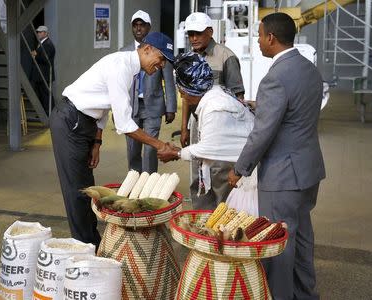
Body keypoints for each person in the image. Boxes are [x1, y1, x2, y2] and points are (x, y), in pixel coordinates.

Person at [228, 13, 325, 299]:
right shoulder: (309, 70)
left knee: (278, 243)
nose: (257, 41)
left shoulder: (274, 79)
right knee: (302, 239)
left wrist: (240, 169)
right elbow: (298, 112)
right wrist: (264, 105)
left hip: (283, 175)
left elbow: (262, 134)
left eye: (259, 35)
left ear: (271, 38)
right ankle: (306, 294)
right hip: (308, 171)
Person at [50, 32, 175, 249]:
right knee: (77, 192)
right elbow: (125, 125)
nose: (161, 65)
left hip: (85, 123)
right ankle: (85, 250)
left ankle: (91, 243)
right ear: (147, 49)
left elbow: (105, 106)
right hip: (71, 120)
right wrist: (160, 145)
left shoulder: (127, 67)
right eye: (161, 58)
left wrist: (96, 143)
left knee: (87, 189)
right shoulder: (121, 67)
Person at [158, 52, 254, 210]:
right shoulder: (214, 93)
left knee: (229, 208)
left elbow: (207, 148)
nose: (181, 94)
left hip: (243, 169)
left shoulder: (214, 108)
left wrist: (176, 153)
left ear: (191, 89)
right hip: (240, 163)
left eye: (182, 89)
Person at [181, 12, 245, 207]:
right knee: (198, 173)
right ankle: (200, 221)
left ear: (210, 31)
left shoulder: (226, 56)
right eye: (190, 34)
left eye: (198, 33)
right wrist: (185, 127)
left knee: (219, 176)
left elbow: (238, 100)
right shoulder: (188, 58)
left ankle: (222, 222)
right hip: (197, 124)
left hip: (220, 128)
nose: (193, 38)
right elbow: (186, 95)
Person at [120, 10, 177, 173]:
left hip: (153, 105)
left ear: (149, 27)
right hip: (132, 106)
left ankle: (149, 181)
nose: (138, 29)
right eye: (135, 25)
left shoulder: (159, 49)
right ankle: (135, 180)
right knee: (132, 149)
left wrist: (171, 107)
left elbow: (169, 79)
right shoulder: (124, 52)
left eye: (142, 25)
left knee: (150, 148)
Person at [31, 25, 55, 115]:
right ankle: (44, 112)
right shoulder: (42, 43)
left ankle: (49, 112)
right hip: (40, 75)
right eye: (38, 32)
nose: (38, 34)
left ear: (45, 33)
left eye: (40, 32)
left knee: (45, 94)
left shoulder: (48, 44)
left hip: (44, 74)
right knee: (42, 94)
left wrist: (35, 55)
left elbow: (46, 59)